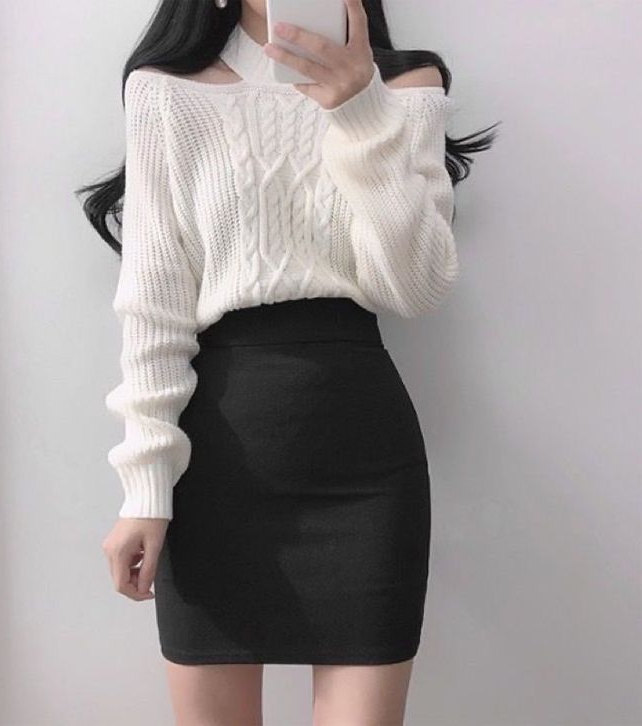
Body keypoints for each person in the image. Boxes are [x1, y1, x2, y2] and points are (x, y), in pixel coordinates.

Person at [76, 0, 498, 722]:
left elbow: (417, 288)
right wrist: (144, 488)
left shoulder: (406, 88)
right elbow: (154, 305)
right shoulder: (166, 92)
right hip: (215, 461)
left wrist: (361, 112)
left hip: (363, 462)